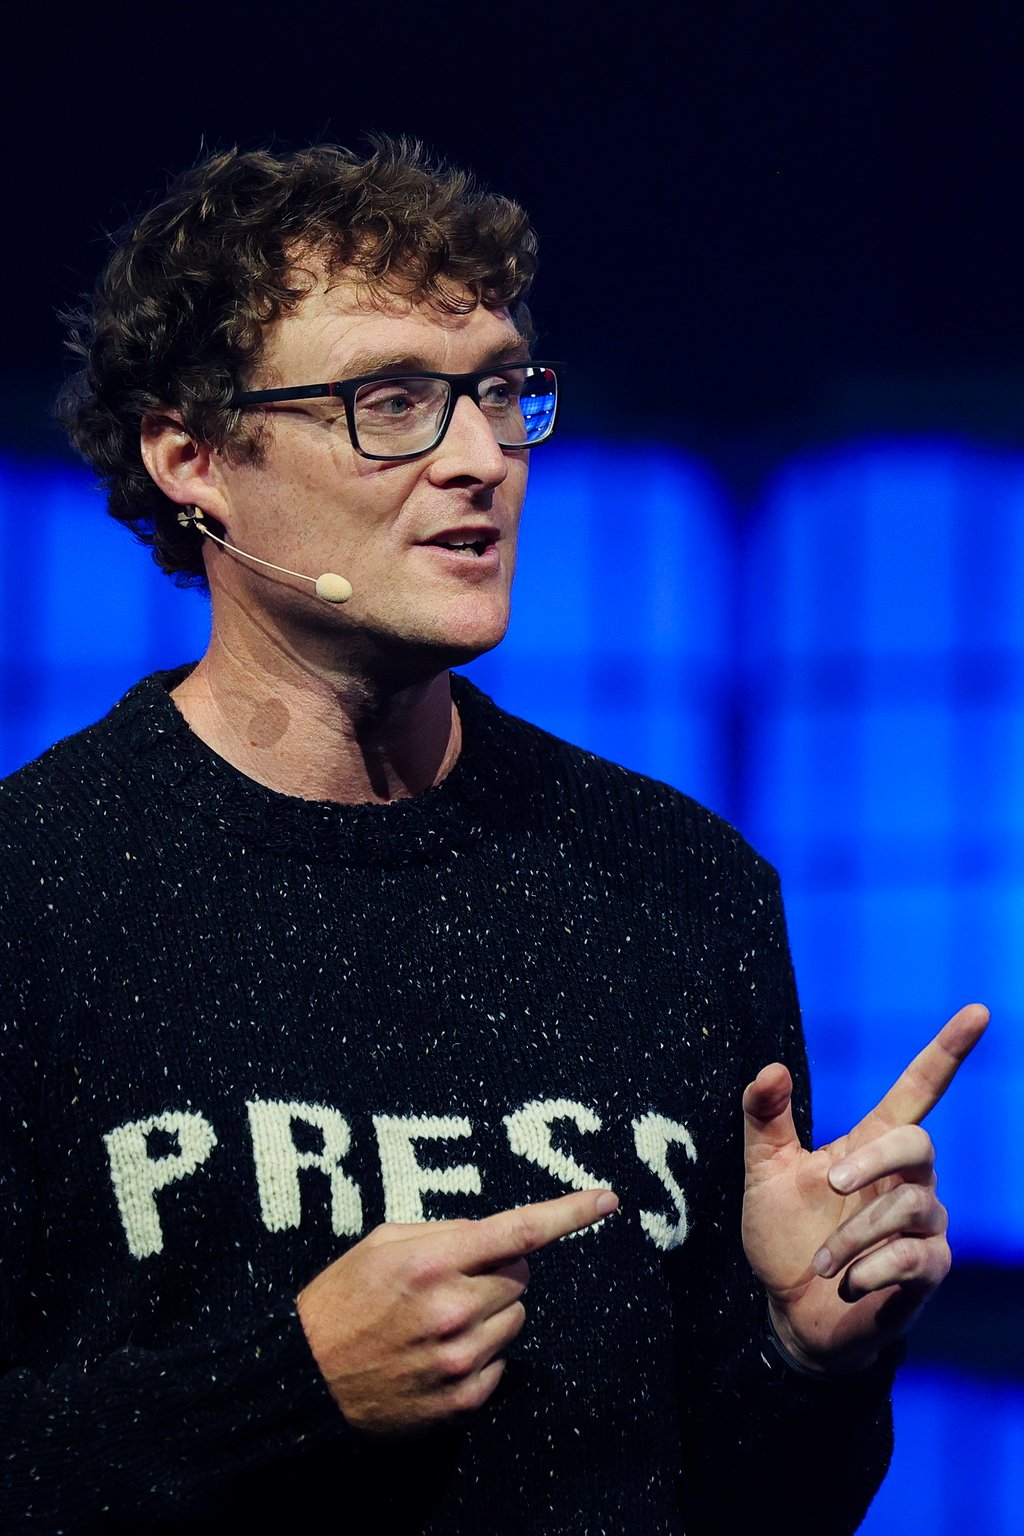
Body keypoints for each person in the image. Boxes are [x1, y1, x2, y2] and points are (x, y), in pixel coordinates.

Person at [0, 139, 986, 1534]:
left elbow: (756, 1505)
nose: (481, 460)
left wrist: (804, 1357)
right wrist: (289, 1386)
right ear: (193, 455)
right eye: (391, 400)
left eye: (500, 392)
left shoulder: (675, 888)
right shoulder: (36, 894)